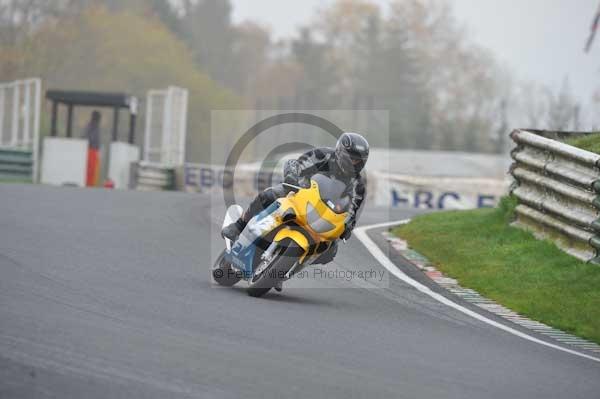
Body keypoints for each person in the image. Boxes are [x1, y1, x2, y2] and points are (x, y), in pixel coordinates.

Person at [221, 132, 369, 265]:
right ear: (341, 152)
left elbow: (352, 211)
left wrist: (348, 226)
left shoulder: (358, 186)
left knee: (330, 251)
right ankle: (239, 225)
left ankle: (286, 267)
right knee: (268, 195)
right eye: (351, 159)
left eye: (357, 161)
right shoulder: (323, 155)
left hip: (325, 215)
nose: (354, 163)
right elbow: (298, 164)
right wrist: (292, 177)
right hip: (300, 193)